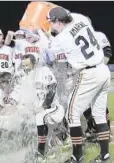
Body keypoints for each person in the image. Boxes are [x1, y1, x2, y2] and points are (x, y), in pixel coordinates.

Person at [47, 7, 111, 162]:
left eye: (52, 22)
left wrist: (47, 33)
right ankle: (105, 156)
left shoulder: (62, 39)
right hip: (103, 69)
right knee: (100, 116)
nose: (51, 25)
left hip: (89, 73)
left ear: (58, 21)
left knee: (72, 115)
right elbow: (70, 18)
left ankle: (77, 156)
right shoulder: (80, 18)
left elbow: (52, 45)